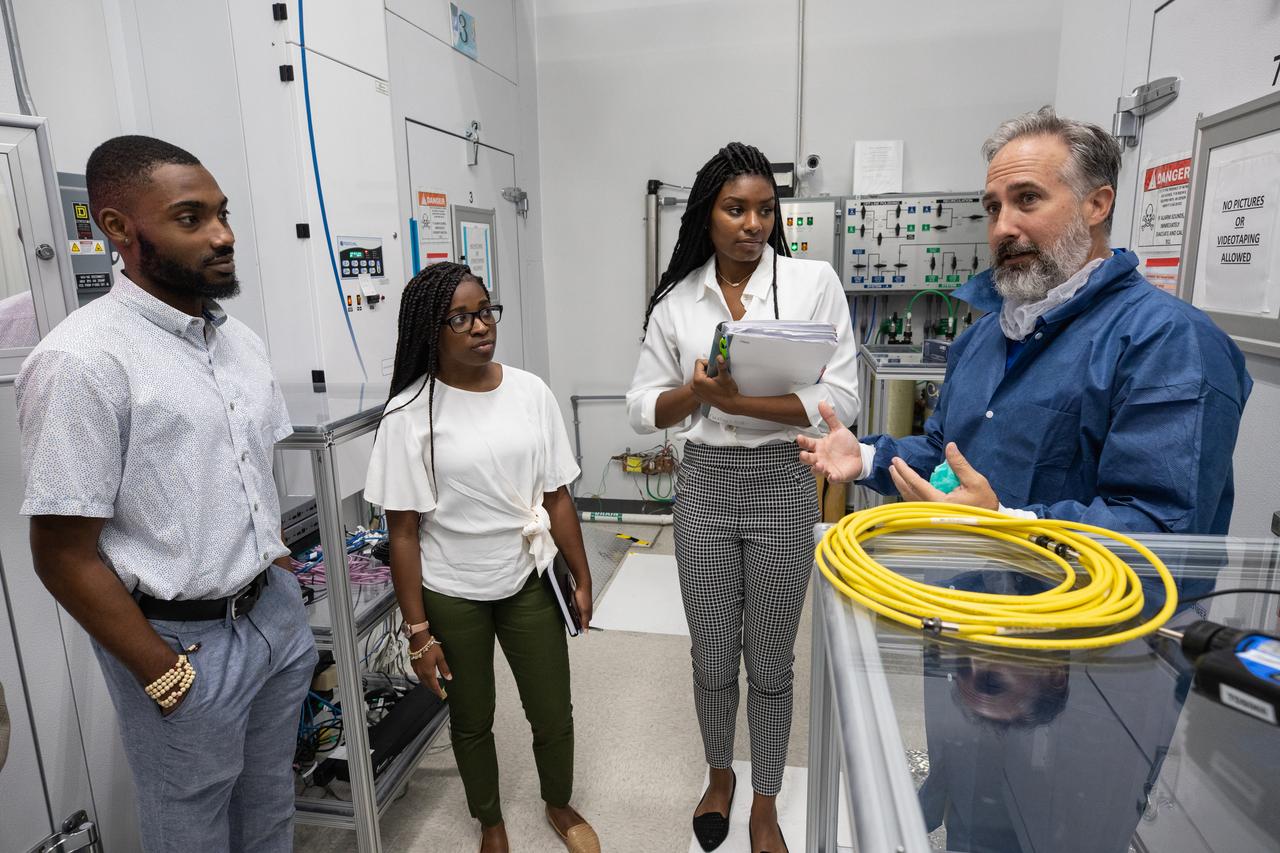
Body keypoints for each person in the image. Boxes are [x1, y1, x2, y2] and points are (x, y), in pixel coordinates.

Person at [15, 136, 316, 852]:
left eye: (223, 213)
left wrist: (279, 587)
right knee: (192, 830)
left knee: (271, 805)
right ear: (117, 227)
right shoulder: (81, 360)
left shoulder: (236, 339)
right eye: (191, 218)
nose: (223, 235)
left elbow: (251, 473)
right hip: (183, 643)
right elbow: (61, 554)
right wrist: (161, 670)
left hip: (270, 620)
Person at [799, 108, 1251, 534]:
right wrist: (864, 456)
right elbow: (945, 458)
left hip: (1085, 613)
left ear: (1097, 205)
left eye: (1028, 199)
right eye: (993, 208)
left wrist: (1003, 523)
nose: (1002, 228)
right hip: (976, 598)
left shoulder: (1168, 341)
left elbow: (1162, 527)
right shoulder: (985, 337)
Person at [627, 142, 859, 853]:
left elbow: (841, 397)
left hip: (785, 485)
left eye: (765, 209)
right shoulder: (676, 301)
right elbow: (642, 407)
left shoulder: (813, 282)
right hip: (704, 488)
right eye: (736, 208)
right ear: (708, 214)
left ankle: (765, 799)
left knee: (772, 658)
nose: (753, 223)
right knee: (710, 652)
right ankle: (719, 773)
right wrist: (694, 395)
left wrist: (745, 402)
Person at [365, 262, 599, 853]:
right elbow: (403, 534)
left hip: (527, 575)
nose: (479, 326)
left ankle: (558, 802)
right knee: (471, 717)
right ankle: (490, 821)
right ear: (430, 330)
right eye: (460, 318)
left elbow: (556, 494)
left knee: (552, 708)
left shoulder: (530, 391)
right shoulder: (409, 414)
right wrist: (418, 631)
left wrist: (582, 572)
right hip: (452, 587)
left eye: (485, 310)